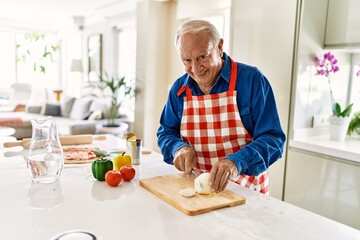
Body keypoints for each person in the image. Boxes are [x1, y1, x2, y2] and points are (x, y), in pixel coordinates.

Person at [157, 19, 285, 195]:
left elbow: (273, 139)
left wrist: (236, 163)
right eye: (187, 60)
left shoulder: (252, 80)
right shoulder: (178, 90)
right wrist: (177, 148)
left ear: (219, 46)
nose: (195, 68)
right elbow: (166, 132)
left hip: (246, 191)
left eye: (203, 56)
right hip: (198, 192)